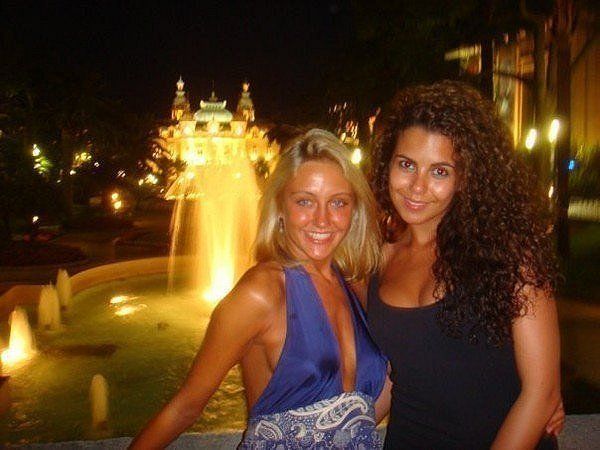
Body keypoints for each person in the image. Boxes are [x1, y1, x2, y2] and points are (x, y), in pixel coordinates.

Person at [130, 129, 390, 449]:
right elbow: (186, 407)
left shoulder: (356, 285)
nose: (322, 219)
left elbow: (361, 411)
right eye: (305, 201)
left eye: (338, 202)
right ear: (280, 207)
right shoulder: (262, 293)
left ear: (354, 210)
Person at [366, 80, 563, 449]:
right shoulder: (379, 257)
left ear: (465, 178)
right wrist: (338, 431)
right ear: (386, 164)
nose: (417, 186)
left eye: (440, 171)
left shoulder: (509, 257)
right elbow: (396, 373)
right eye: (406, 164)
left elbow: (542, 394)